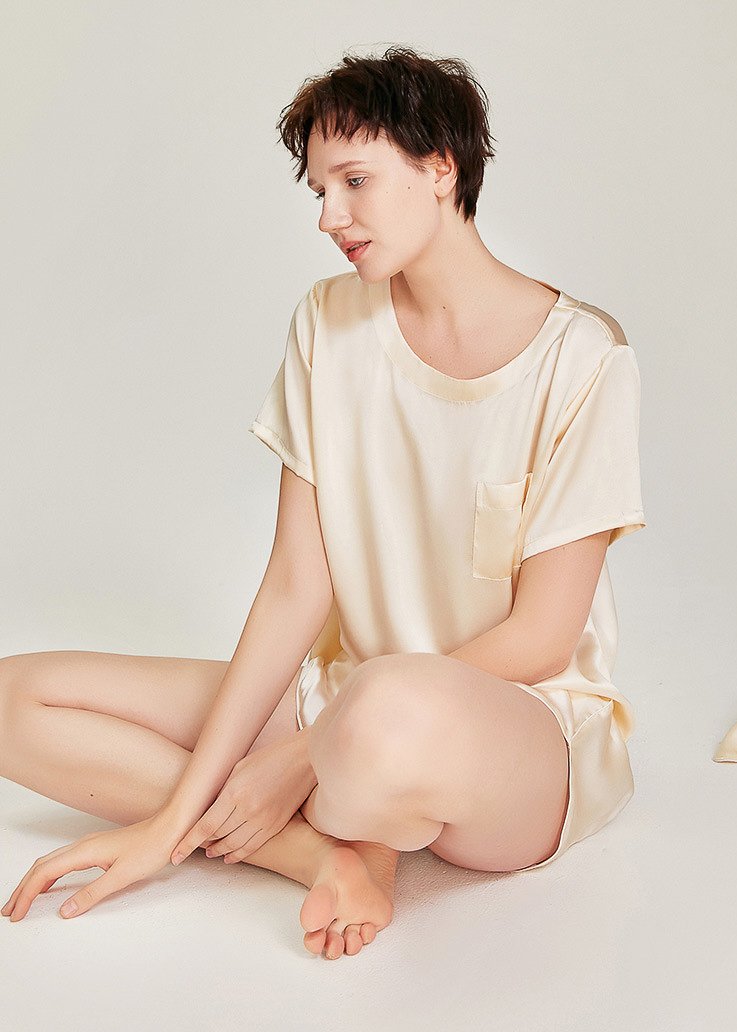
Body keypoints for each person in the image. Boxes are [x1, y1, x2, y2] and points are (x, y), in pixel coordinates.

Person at [0, 45, 646, 961]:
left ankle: (334, 790)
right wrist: (169, 825)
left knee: (383, 710)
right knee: (14, 699)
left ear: (440, 167)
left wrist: (293, 758)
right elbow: (295, 587)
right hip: (347, 700)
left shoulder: (581, 357)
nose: (328, 216)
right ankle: (321, 856)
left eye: (354, 180)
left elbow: (543, 637)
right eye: (318, 190)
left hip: (517, 734)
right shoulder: (328, 322)